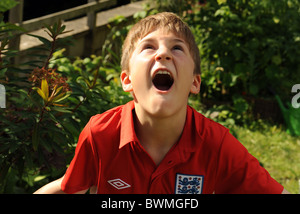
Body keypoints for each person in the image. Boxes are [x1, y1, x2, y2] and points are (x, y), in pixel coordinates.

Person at [34, 12, 289, 194]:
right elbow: (70, 188)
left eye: (177, 48)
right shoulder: (100, 134)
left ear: (194, 83)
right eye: (148, 47)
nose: (163, 53)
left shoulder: (217, 144)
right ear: (127, 80)